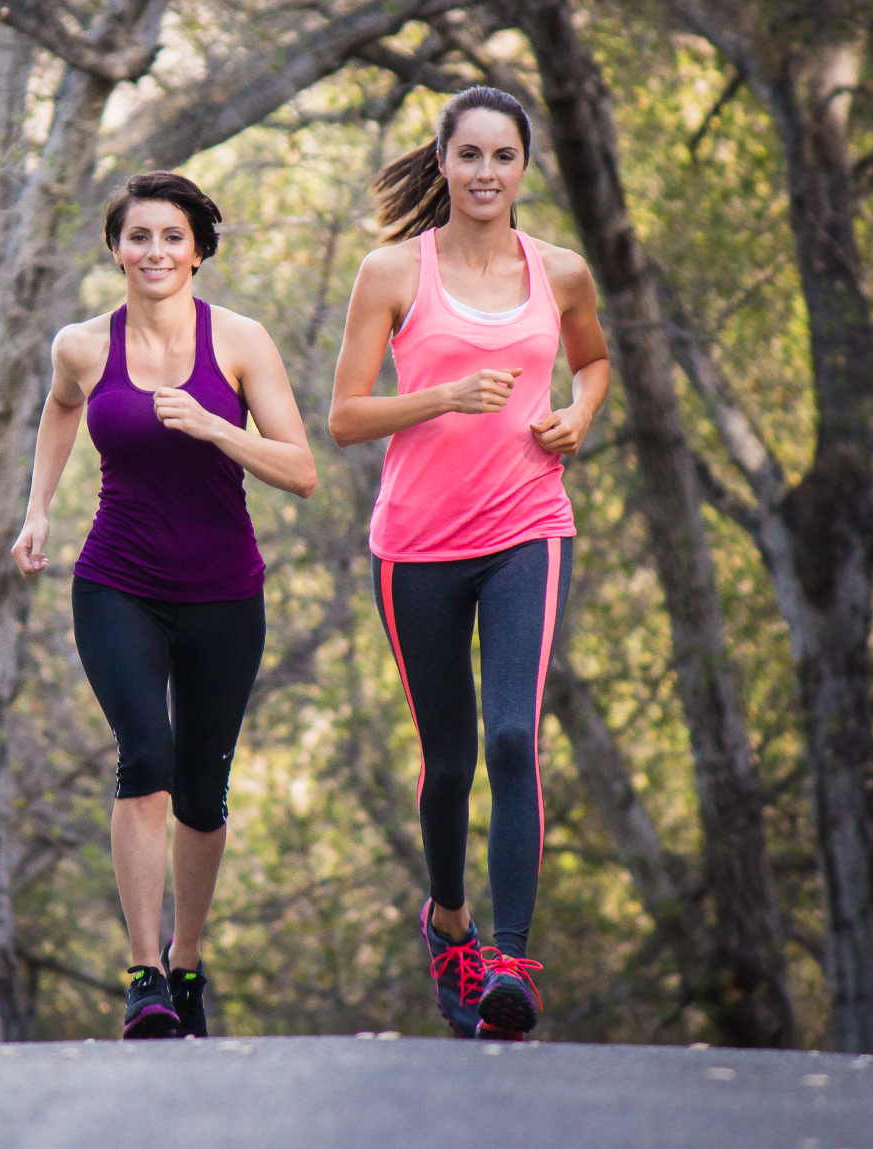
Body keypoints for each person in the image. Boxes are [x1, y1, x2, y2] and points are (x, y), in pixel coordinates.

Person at [328, 87, 610, 1040]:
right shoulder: (392, 273)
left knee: (508, 740)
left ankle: (512, 962)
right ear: (442, 161)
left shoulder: (561, 271)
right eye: (471, 155)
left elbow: (596, 362)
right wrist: (442, 393)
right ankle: (450, 923)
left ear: (525, 169)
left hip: (528, 526)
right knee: (447, 763)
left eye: (504, 157)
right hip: (417, 545)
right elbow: (345, 417)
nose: (487, 173)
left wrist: (579, 413)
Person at [12, 171, 317, 1040]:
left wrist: (216, 427)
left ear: (197, 250)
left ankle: (188, 965)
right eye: (138, 236)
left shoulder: (242, 342)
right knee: (143, 755)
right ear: (116, 248)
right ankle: (144, 972)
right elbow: (60, 409)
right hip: (118, 581)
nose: (154, 252)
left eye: (171, 237)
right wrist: (38, 507)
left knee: (202, 793)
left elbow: (300, 470)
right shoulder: (82, 344)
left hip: (225, 590)